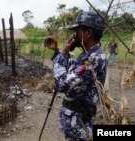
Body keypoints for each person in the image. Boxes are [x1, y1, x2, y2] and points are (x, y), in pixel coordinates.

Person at [46, 11, 108, 141]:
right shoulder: (87, 55)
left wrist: (63, 54)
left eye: (77, 31)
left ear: (88, 33)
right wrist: (60, 52)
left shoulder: (93, 59)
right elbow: (71, 72)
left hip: (80, 125)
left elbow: (62, 84)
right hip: (75, 123)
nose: (74, 35)